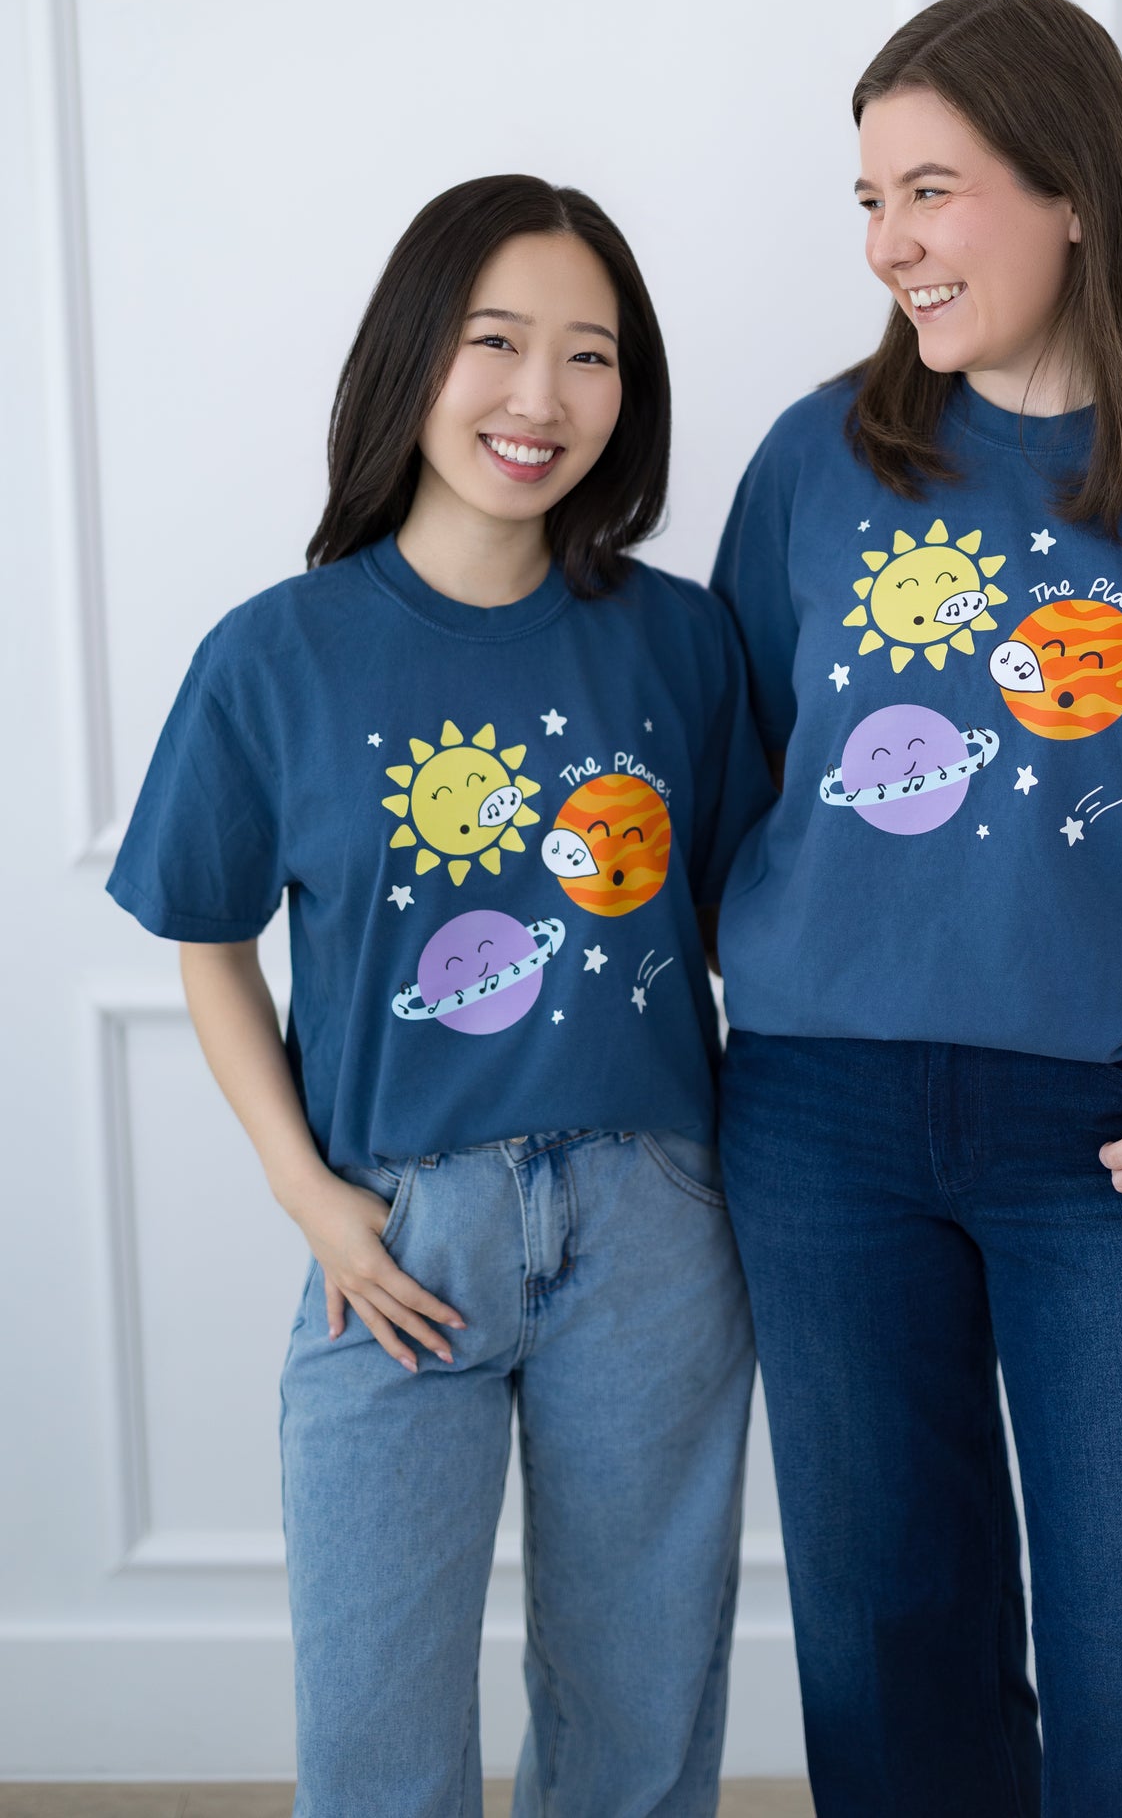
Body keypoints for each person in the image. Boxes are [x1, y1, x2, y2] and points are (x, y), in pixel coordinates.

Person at [710, 0, 1122, 1818]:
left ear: (1073, 187)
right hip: (818, 1129)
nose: (891, 246)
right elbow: (736, 785)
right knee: (891, 1676)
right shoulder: (811, 466)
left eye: (929, 190)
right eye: (867, 201)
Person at [107, 176, 773, 1818]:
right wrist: (313, 1200)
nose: (540, 399)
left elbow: (764, 925)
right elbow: (208, 937)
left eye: (590, 356)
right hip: (393, 1236)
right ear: (412, 355)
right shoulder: (275, 656)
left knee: (638, 1710)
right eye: (495, 342)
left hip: (656, 1225)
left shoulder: (683, 648)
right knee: (376, 1718)